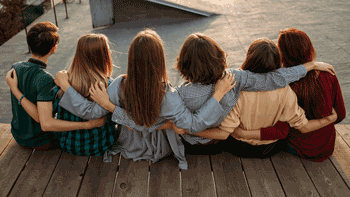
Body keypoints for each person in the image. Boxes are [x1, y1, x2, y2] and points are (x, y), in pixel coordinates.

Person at [55, 30, 335, 168]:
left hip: (152, 144)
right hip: (204, 142)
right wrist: (308, 67)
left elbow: (92, 112)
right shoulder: (227, 79)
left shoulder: (125, 85)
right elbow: (268, 79)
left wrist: (72, 90)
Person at [164, 37, 338, 158]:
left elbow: (195, 125)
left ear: (183, 63)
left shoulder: (178, 94)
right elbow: (272, 79)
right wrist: (310, 65)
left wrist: (181, 128)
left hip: (198, 146)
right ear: (218, 56)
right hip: (232, 146)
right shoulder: (233, 79)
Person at [239, 28, 346, 161]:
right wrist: (328, 120)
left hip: (297, 147)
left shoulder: (283, 85)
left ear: (283, 55)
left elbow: (282, 130)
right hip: (326, 146)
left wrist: (243, 133)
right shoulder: (328, 74)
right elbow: (341, 115)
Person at [7, 33, 119, 156]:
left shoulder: (61, 84)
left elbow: (45, 118)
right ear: (104, 56)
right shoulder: (109, 85)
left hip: (69, 145)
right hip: (101, 145)